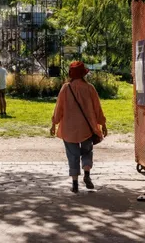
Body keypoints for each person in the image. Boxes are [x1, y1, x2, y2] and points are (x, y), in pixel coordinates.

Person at [50, 61, 108, 193]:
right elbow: (97, 109)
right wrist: (103, 124)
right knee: (87, 151)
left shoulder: (65, 88)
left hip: (69, 128)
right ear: (83, 74)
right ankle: (87, 174)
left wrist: (54, 123)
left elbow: (59, 108)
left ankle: (75, 183)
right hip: (86, 128)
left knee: (72, 155)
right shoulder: (90, 88)